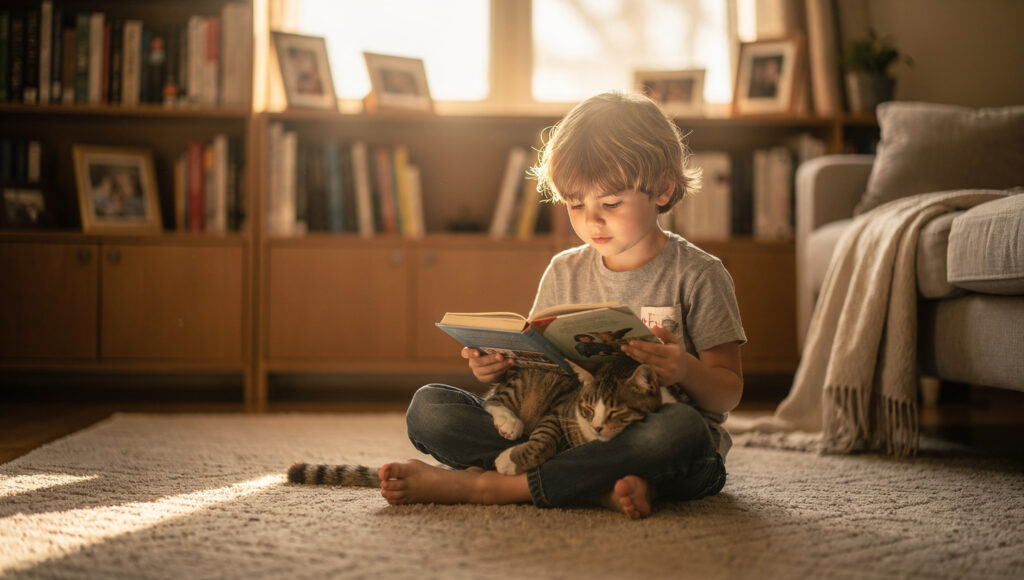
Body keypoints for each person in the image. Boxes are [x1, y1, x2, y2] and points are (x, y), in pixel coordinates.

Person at [380, 91, 746, 519]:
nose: (592, 219)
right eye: (576, 204)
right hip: (567, 431)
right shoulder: (564, 270)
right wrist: (498, 366)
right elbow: (541, 365)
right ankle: (591, 487)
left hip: (658, 444)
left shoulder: (699, 274)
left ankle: (493, 487)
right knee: (430, 410)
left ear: (663, 189)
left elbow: (728, 393)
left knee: (679, 430)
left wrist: (684, 369)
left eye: (610, 203)